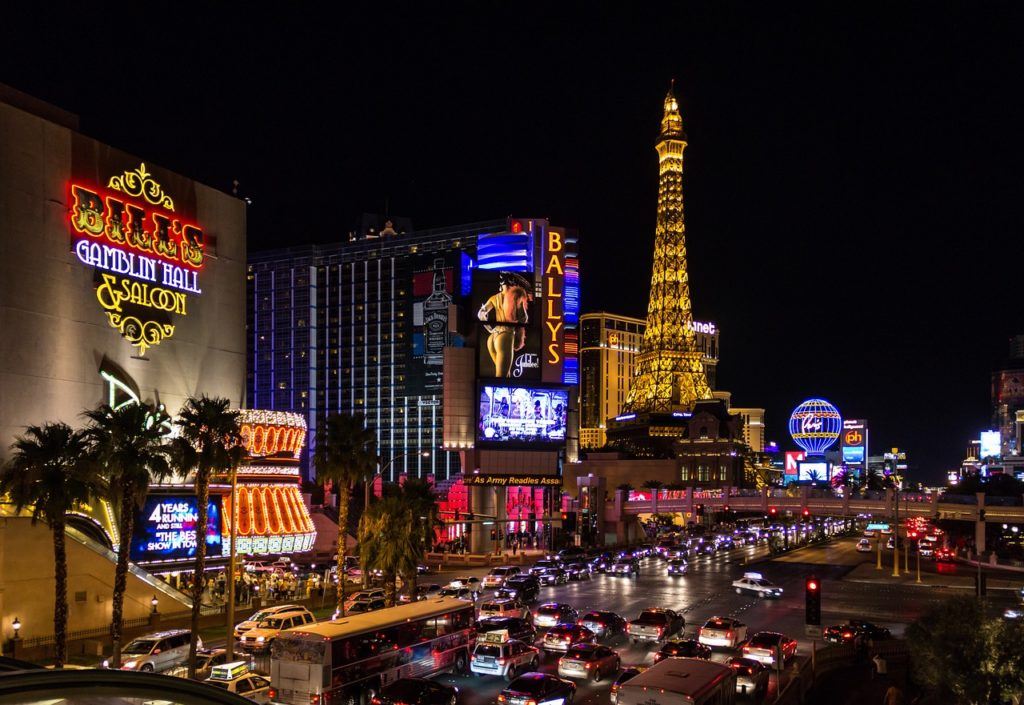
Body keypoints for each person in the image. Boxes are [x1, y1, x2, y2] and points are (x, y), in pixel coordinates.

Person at [478, 272, 532, 377]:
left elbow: (481, 314)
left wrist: (489, 329)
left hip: (492, 338)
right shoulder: (516, 296)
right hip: (505, 336)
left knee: (506, 375)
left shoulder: (494, 298)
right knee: (501, 377)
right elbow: (524, 319)